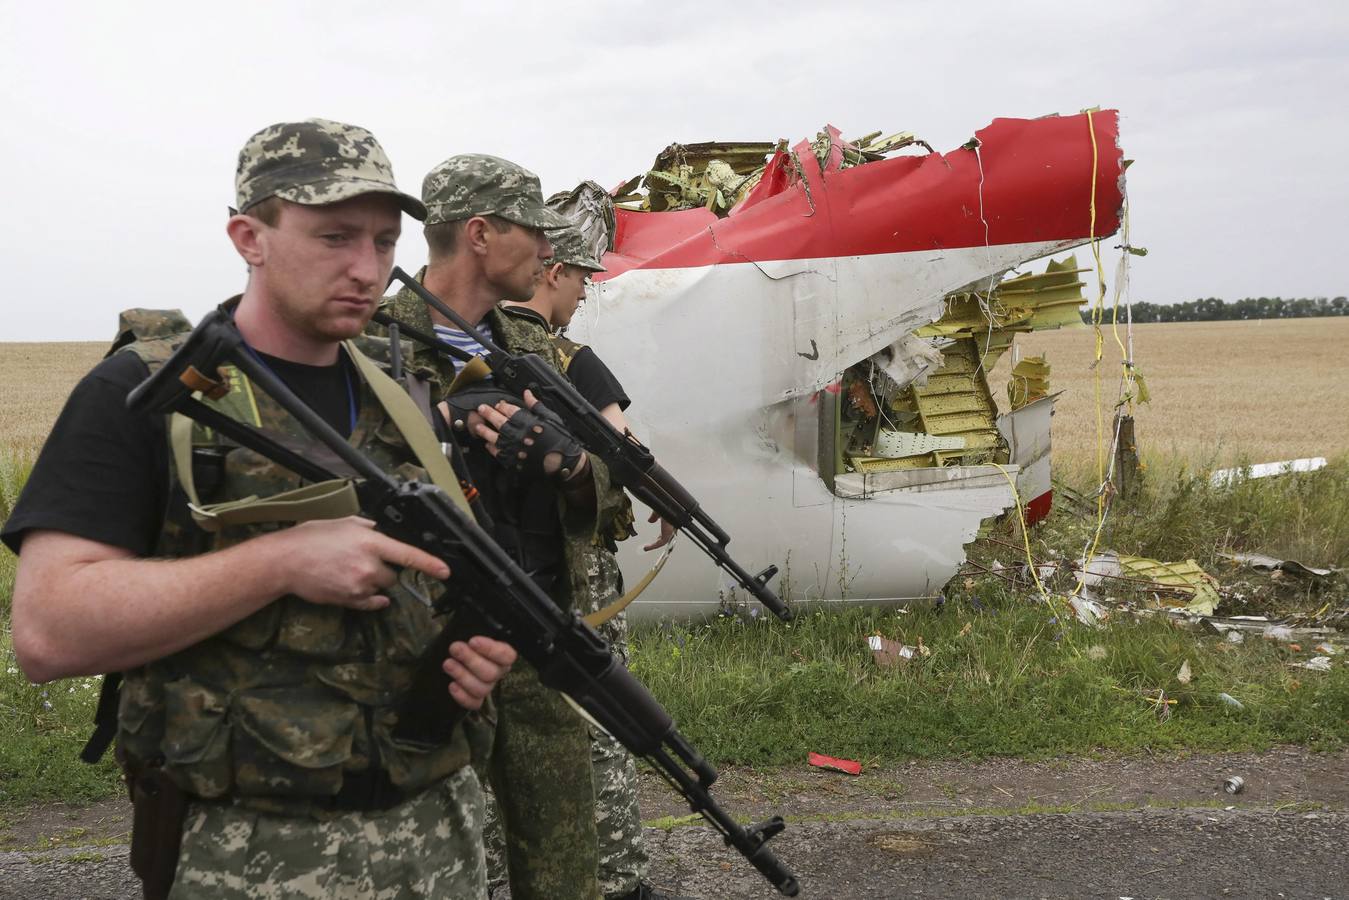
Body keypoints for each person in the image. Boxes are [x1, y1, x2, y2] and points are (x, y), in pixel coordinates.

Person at [2, 119, 517, 900]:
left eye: (383, 242)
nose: (366, 268)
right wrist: (278, 561)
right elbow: (49, 631)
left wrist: (468, 659)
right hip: (243, 852)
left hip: (437, 833)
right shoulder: (144, 394)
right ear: (250, 236)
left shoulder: (406, 391)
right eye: (334, 236)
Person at [376, 154, 625, 900]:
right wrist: (441, 433)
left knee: (564, 868)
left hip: (542, 640)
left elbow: (611, 500)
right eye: (535, 235)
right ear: (481, 234)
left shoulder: (535, 351)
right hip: (436, 659)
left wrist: (574, 467)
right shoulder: (374, 346)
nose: (551, 254)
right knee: (442, 868)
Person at [501, 225, 684, 900]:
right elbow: (624, 447)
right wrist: (670, 503)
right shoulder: (571, 360)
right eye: (581, 278)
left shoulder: (468, 345)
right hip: (578, 571)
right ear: (551, 273)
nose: (584, 293)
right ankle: (615, 878)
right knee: (602, 717)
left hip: (502, 567)